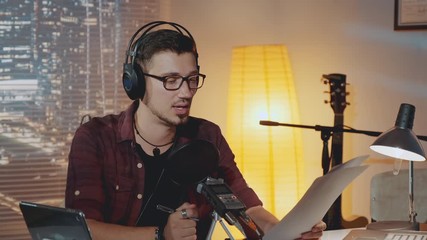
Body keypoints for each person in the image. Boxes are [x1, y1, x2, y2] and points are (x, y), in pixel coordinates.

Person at [65, 21, 326, 240]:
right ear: (136, 82)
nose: (186, 92)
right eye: (171, 80)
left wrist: (283, 230)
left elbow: (246, 205)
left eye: (191, 79)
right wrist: (160, 234)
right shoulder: (96, 137)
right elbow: (83, 228)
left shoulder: (207, 136)